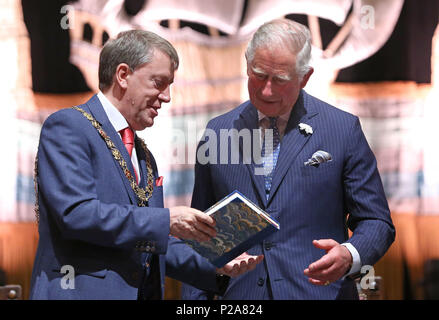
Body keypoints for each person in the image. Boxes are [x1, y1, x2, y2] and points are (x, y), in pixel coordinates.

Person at [29, 30, 263, 300]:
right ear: (123, 75)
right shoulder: (69, 126)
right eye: (159, 83)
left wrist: (217, 265)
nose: (167, 97)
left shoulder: (143, 155)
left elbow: (149, 241)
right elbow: (76, 214)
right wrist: (167, 220)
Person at [181, 18, 395, 300]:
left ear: (305, 77)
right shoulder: (218, 132)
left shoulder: (342, 130)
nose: (266, 90)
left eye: (280, 80)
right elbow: (201, 234)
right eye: (258, 74)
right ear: (247, 64)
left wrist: (350, 254)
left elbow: (376, 221)